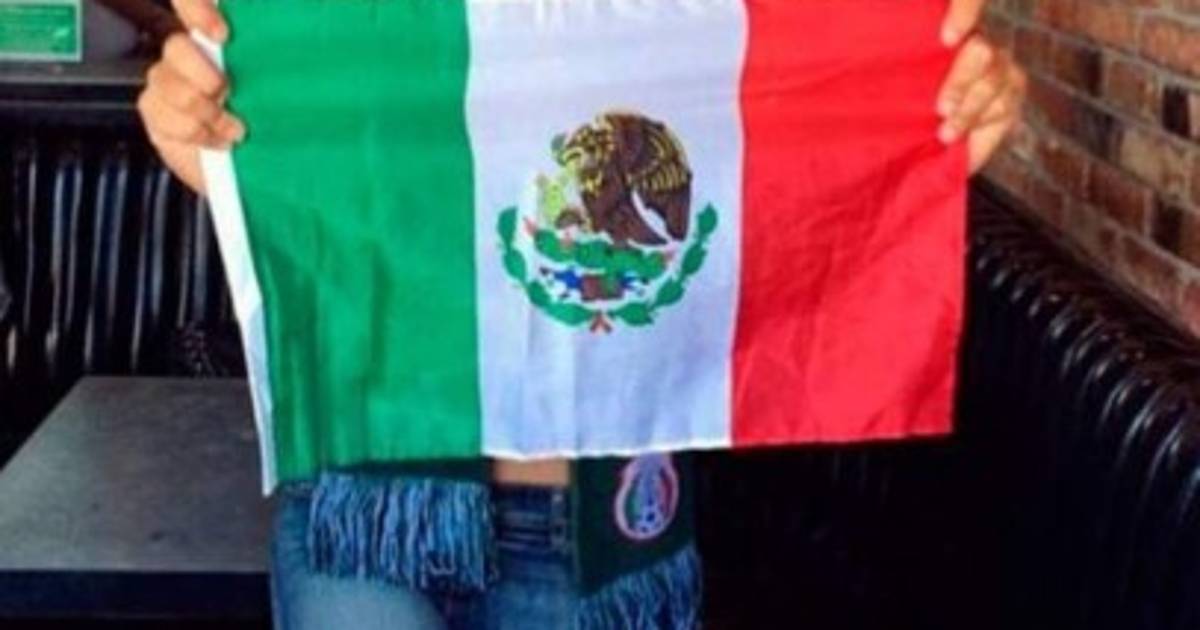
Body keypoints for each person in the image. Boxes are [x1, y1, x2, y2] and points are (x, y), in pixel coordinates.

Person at [137, 1, 1027, 628]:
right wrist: (195, 126)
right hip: (372, 507)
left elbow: (802, 160)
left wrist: (935, 114)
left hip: (602, 532)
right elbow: (302, 178)